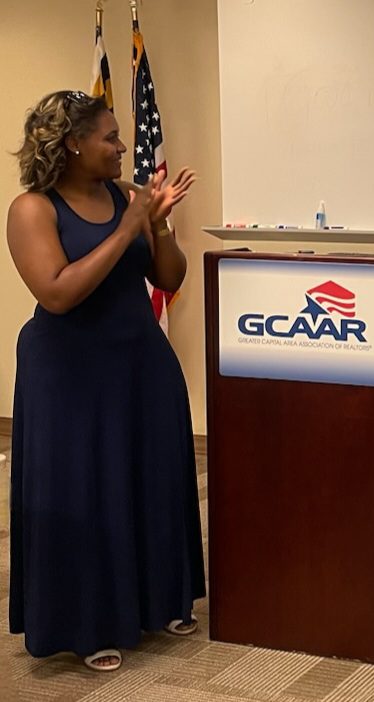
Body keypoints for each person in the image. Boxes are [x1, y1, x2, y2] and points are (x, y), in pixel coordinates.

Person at [7, 90, 205, 671]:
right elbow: (58, 292)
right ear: (73, 143)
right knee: (86, 492)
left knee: (149, 480)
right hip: (69, 374)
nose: (123, 147)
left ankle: (159, 599)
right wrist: (129, 228)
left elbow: (168, 276)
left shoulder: (126, 198)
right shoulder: (32, 210)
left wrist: (159, 226)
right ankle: (89, 622)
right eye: (110, 137)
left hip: (138, 363)